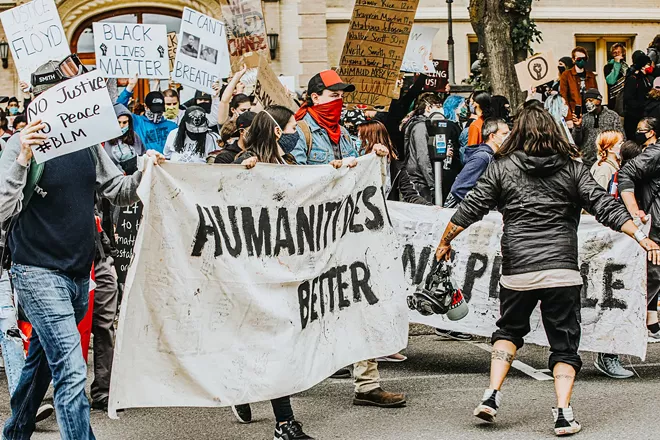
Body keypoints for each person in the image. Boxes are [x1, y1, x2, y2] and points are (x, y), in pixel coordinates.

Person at [434, 105, 659, 437]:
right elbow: (603, 205)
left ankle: (492, 395)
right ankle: (564, 414)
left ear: (519, 132)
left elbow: (470, 207)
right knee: (564, 345)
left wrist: (444, 242)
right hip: (561, 271)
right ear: (554, 131)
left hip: (517, 270)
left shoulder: (502, 167)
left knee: (508, 332)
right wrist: (641, 236)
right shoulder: (573, 168)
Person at [0, 56, 165, 440]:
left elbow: (117, 190)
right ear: (46, 100)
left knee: (42, 363)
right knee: (72, 369)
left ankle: (15, 431)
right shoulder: (17, 145)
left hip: (78, 275)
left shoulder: (87, 144)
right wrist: (23, 159)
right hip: (36, 271)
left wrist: (147, 171)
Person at [618, 117, 660, 341]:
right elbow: (625, 174)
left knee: (654, 278)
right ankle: (620, 333)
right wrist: (634, 210)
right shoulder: (654, 153)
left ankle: (650, 323)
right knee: (652, 277)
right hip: (656, 227)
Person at [291, 70, 358, 167]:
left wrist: (374, 152)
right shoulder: (299, 131)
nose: (339, 100)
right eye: (334, 95)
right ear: (315, 98)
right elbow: (296, 175)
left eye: (341, 96)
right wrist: (326, 171)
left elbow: (359, 161)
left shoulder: (342, 132)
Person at [444, 118, 509, 208]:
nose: (508, 137)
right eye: (504, 133)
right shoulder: (482, 158)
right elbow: (459, 189)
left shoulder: (491, 156)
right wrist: (481, 208)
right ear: (492, 136)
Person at [403, 94, 450, 203]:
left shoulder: (425, 125)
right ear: (428, 107)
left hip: (422, 178)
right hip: (419, 179)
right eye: (438, 107)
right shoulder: (420, 127)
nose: (441, 110)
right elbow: (423, 156)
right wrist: (433, 184)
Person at [117, 77, 178, 153]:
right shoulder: (137, 122)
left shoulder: (172, 126)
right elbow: (119, 108)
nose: (156, 114)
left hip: (166, 163)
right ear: (146, 107)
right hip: (145, 162)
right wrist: (130, 87)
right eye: (154, 110)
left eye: (159, 111)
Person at [572, 88, 624, 168]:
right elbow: (576, 141)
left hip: (607, 162)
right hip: (586, 162)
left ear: (599, 100)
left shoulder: (612, 116)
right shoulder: (584, 118)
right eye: (586, 101)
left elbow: (621, 138)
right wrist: (577, 127)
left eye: (591, 100)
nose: (588, 103)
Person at [104, 103, 145, 175]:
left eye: (125, 122)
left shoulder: (134, 136)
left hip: (137, 176)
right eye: (118, 122)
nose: (121, 126)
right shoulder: (105, 140)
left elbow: (142, 154)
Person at [560, 46, 598, 118]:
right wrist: (568, 117)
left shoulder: (591, 75)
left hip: (590, 113)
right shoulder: (566, 75)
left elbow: (596, 95)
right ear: (573, 60)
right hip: (574, 113)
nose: (582, 61)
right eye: (579, 59)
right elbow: (563, 97)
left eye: (584, 59)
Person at [623, 53, 653, 140]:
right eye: (648, 64)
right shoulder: (633, 79)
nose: (650, 66)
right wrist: (640, 106)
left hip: (642, 113)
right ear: (642, 66)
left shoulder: (645, 78)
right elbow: (628, 98)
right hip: (633, 116)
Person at [604, 43, 629, 116]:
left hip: (626, 100)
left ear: (623, 53)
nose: (616, 54)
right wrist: (617, 63)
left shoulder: (625, 66)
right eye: (614, 52)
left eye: (619, 52)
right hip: (615, 101)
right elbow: (611, 81)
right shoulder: (608, 67)